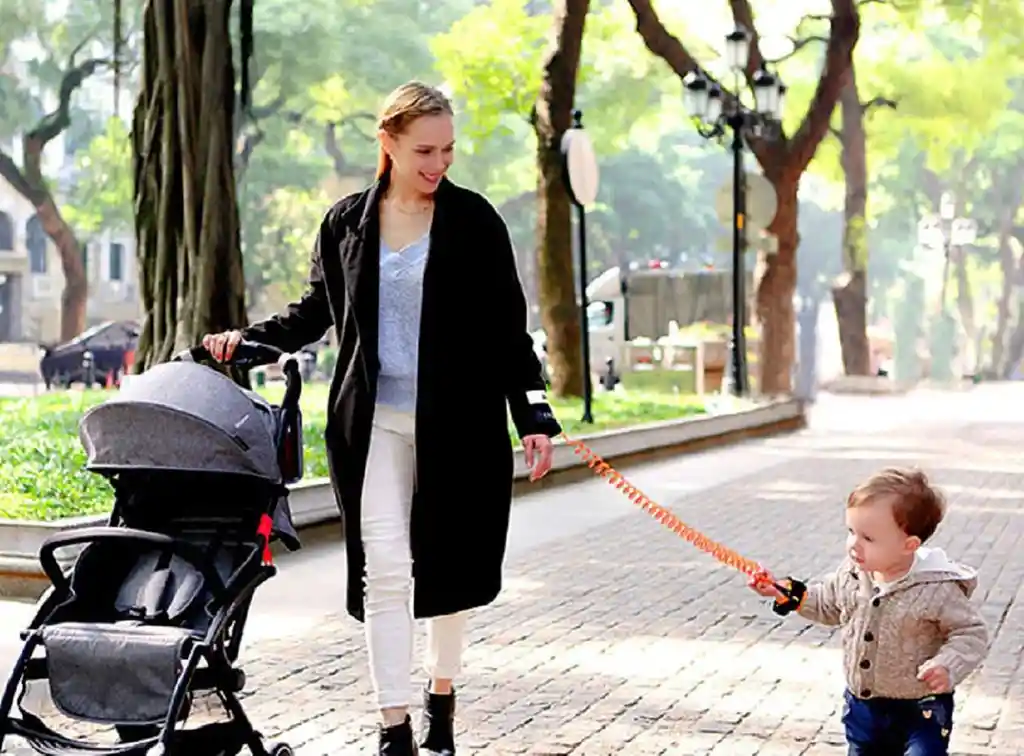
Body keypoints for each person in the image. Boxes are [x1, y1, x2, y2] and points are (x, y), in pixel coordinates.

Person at [202, 81, 562, 755]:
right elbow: (315, 312)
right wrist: (249, 339)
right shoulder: (346, 223)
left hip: (459, 430)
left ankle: (442, 695)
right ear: (388, 142)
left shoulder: (477, 222)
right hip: (373, 427)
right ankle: (392, 724)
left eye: (448, 149)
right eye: (425, 149)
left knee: (446, 568)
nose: (439, 162)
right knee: (386, 571)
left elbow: (507, 329)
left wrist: (533, 415)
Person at [750, 468, 988, 756]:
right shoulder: (852, 574)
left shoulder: (937, 587)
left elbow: (970, 632)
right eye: (851, 532)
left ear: (908, 545)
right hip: (864, 708)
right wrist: (784, 592)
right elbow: (827, 603)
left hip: (922, 710)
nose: (853, 544)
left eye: (868, 538)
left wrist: (948, 664)